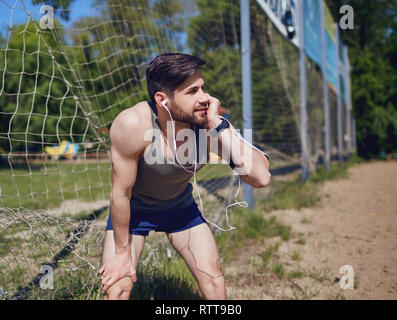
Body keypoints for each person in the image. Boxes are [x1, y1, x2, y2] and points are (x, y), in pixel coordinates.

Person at [99, 53, 271, 300]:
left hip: (180, 208)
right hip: (135, 211)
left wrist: (220, 127)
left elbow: (260, 178)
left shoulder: (208, 125)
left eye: (203, 88)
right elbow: (120, 194)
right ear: (163, 100)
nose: (205, 98)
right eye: (192, 92)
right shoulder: (134, 124)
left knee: (215, 284)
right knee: (117, 288)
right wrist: (123, 254)